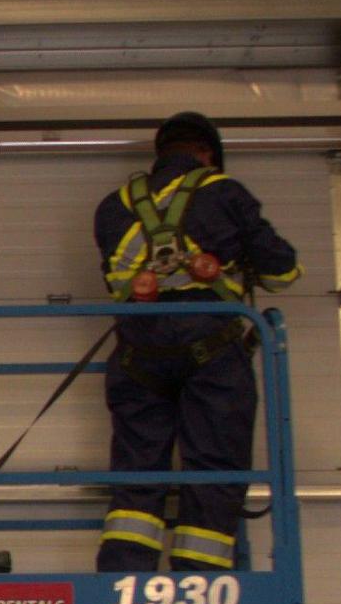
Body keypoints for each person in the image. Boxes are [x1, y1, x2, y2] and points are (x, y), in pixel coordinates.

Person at [93, 111, 298, 575]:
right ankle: (200, 581)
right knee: (213, 465)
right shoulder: (224, 191)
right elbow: (281, 272)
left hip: (138, 354)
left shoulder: (114, 205)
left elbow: (118, 284)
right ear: (207, 155)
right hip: (212, 350)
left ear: (161, 154)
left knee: (137, 469)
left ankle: (124, 574)